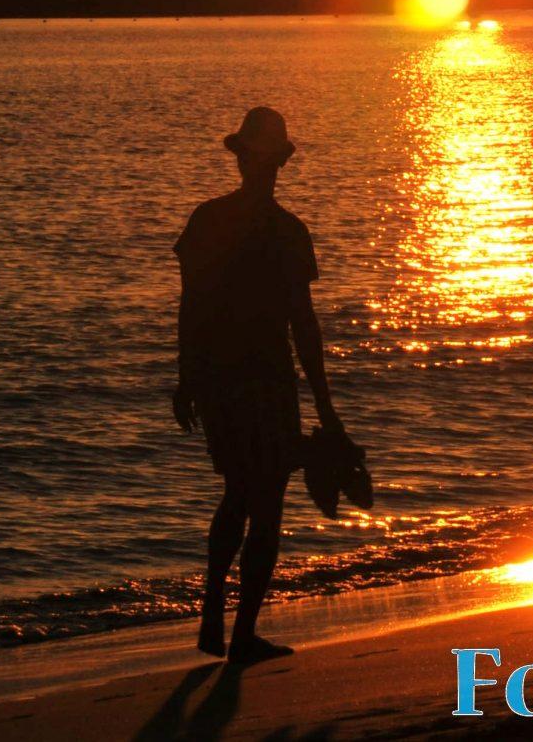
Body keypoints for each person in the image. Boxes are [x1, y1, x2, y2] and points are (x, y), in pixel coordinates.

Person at [172, 105, 340, 663]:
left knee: (238, 495)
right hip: (264, 382)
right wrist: (325, 404)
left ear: (244, 158)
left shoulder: (209, 219)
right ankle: (240, 633)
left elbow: (191, 308)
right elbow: (304, 326)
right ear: (276, 163)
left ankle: (214, 616)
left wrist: (186, 378)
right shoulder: (287, 231)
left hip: (222, 380)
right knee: (262, 504)